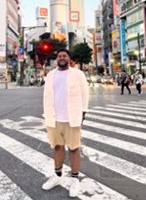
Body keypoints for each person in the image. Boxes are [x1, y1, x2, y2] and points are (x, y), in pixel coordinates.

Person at [41, 49, 89, 198]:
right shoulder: (50, 75)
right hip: (54, 119)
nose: (62, 58)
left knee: (74, 149)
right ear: (56, 59)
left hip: (71, 118)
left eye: (64, 56)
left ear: (69, 58)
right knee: (57, 148)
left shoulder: (77, 74)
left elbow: (85, 93)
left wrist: (83, 112)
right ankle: (57, 175)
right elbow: (47, 96)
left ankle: (75, 179)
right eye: (59, 56)